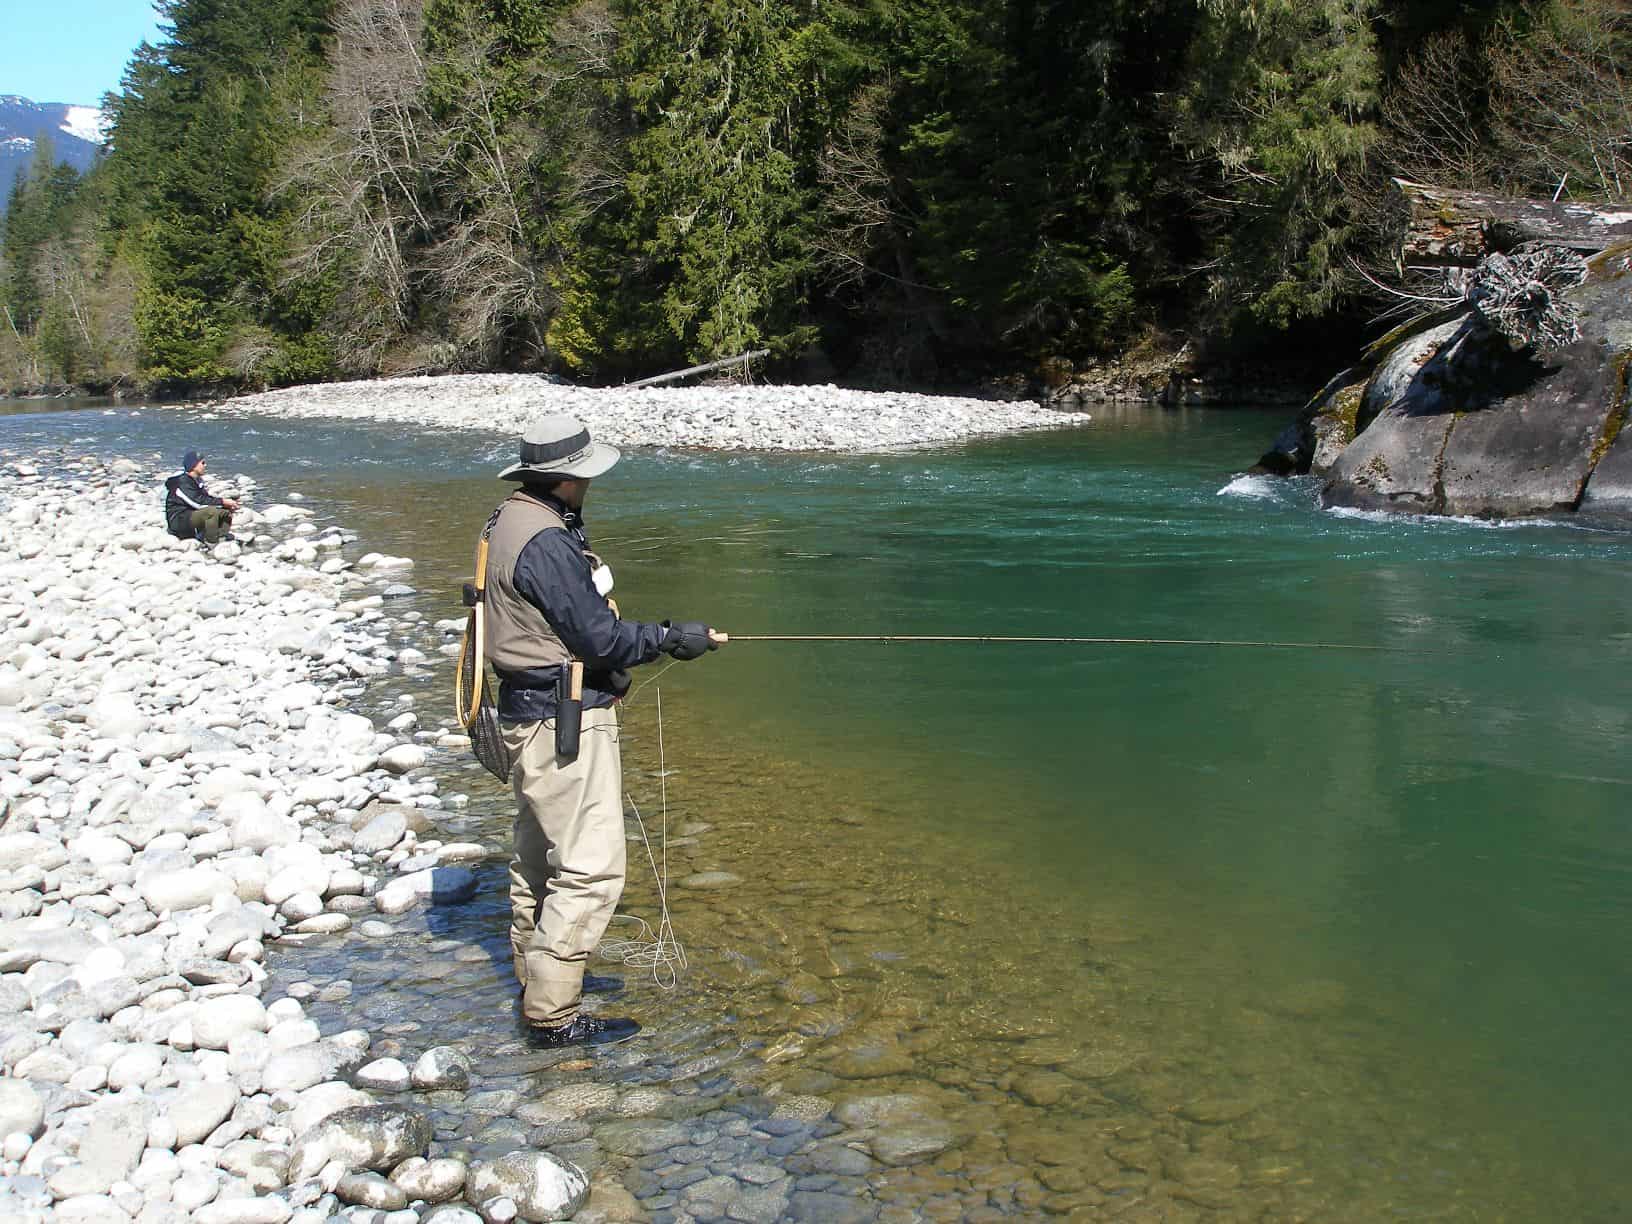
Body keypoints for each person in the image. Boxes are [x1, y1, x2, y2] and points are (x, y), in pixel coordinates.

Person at [479, 414, 723, 1046]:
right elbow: (602, 639)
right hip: (562, 722)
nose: (590, 485)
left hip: (521, 714)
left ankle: (534, 980)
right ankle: (553, 1018)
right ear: (565, 478)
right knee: (589, 870)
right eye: (585, 475)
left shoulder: (507, 518)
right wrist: (676, 638)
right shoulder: (547, 541)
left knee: (538, 858)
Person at [164, 450, 239, 544]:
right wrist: (222, 501)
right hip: (179, 520)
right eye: (202, 463)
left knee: (225, 512)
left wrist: (225, 505)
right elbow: (198, 503)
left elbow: (205, 499)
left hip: (191, 516)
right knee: (211, 512)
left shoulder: (197, 481)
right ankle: (211, 541)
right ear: (193, 465)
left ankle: (221, 536)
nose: (205, 465)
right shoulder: (182, 482)